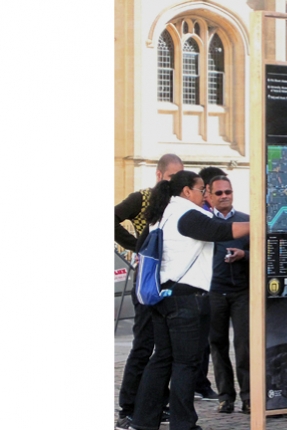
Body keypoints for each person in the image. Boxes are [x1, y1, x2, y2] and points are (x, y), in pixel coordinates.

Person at [128, 170, 249, 430]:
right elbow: (224, 229)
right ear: (186, 192)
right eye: (201, 190)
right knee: (185, 364)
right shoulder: (187, 214)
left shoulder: (161, 214)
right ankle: (183, 424)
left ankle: (143, 421)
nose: (205, 195)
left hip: (163, 296)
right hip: (187, 300)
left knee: (161, 359)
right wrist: (263, 223)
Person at [115, 153, 183, 429]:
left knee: (165, 347)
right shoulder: (142, 199)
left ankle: (156, 402)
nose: (174, 183)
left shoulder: (180, 203)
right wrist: (136, 246)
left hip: (170, 283)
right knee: (144, 344)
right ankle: (128, 407)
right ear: (159, 175)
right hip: (147, 280)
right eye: (170, 178)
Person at [206, 175, 252, 414]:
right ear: (209, 196)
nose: (225, 196)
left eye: (228, 192)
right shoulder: (203, 223)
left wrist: (244, 255)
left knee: (244, 345)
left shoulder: (246, 221)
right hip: (213, 292)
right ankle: (225, 396)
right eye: (220, 193)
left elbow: (264, 255)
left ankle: (248, 397)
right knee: (217, 344)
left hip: (241, 292)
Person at [191, 166, 229, 401]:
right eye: (217, 191)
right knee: (202, 340)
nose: (223, 196)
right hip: (202, 285)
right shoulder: (199, 215)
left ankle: (201, 382)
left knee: (208, 340)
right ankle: (199, 383)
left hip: (217, 283)